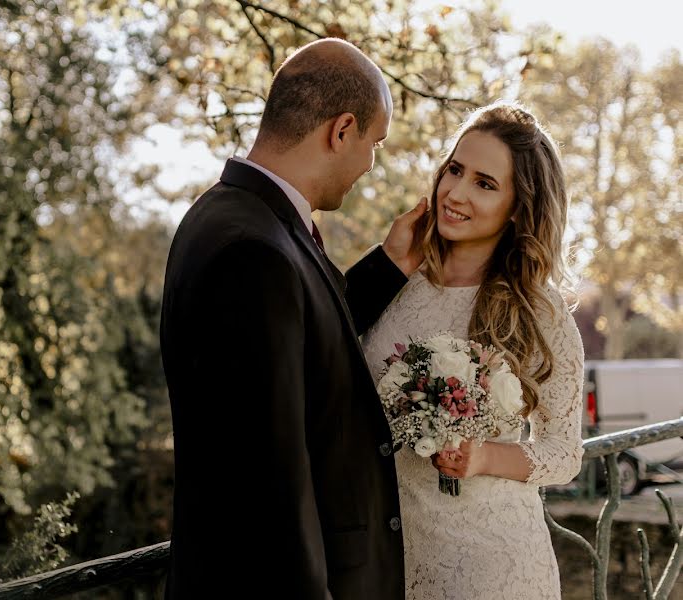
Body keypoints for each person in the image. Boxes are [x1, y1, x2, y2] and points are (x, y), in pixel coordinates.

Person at [160, 38, 427, 599]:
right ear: (341, 130)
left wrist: (390, 266)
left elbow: (298, 346)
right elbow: (268, 479)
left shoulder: (239, 218)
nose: (370, 164)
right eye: (374, 143)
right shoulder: (252, 251)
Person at [362, 102, 585, 599]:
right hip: (390, 560)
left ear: (518, 206)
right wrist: (385, 260)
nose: (456, 193)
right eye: (455, 170)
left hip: (493, 567)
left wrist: (482, 457)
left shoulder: (539, 311)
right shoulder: (398, 282)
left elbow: (564, 452)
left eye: (485, 183)